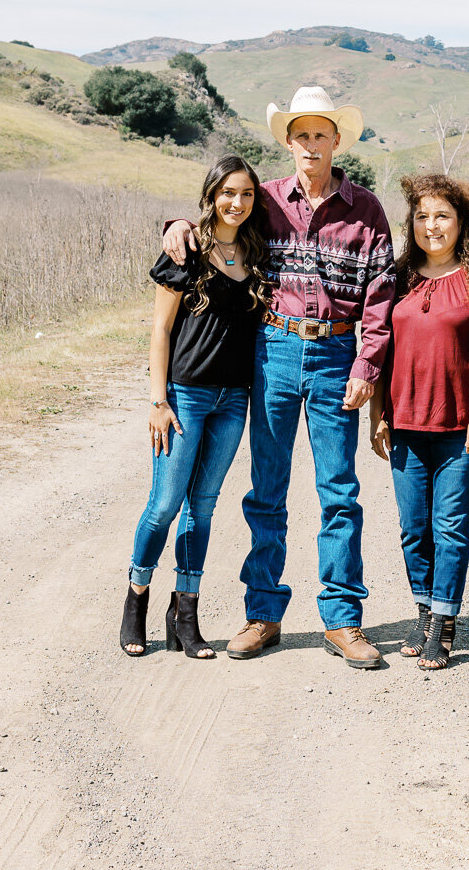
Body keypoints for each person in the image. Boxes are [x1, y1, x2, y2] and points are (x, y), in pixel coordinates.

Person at [163, 87, 395, 669]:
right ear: (288, 143)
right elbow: (217, 217)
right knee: (266, 489)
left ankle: (342, 620)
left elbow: (380, 295)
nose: (311, 146)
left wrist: (368, 365)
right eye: (301, 136)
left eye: (321, 135)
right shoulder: (263, 200)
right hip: (273, 352)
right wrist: (175, 225)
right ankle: (263, 613)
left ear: (336, 141)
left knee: (339, 491)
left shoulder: (366, 209)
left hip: (337, 356)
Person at [120, 154, 269, 661]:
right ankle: (137, 598)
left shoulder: (258, 249)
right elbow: (160, 330)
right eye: (228, 192)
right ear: (210, 195)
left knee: (201, 508)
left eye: (247, 193)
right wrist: (158, 401)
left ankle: (185, 614)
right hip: (185, 396)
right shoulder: (185, 252)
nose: (237, 202)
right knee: (165, 504)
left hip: (234, 400)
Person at [369, 175, 469, 670]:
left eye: (443, 216)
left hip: (460, 426)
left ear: (461, 221)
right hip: (406, 423)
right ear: (411, 223)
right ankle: (424, 613)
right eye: (423, 216)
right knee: (414, 528)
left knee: (449, 526)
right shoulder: (398, 276)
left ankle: (443, 624)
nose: (432, 226)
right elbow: (380, 350)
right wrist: (379, 414)